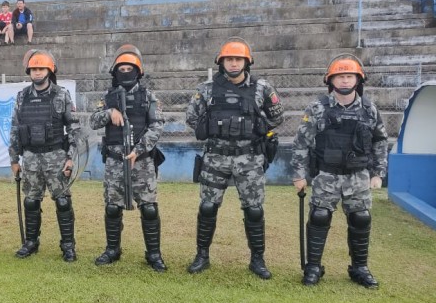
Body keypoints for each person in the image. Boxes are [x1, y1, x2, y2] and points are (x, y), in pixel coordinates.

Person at [185, 38, 284, 279]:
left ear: (246, 62)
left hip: (249, 159)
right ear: (221, 62)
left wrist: (257, 128)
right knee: (208, 207)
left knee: (254, 210)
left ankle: (257, 259)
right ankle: (202, 255)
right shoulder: (206, 89)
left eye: (238, 59)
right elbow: (191, 117)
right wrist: (212, 126)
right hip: (216, 157)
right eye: (229, 59)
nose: (233, 64)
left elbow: (277, 117)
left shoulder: (262, 88)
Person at [291, 55, 388, 289]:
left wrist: (378, 172)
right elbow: (301, 142)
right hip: (327, 175)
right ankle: (314, 266)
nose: (344, 81)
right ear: (330, 80)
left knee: (360, 218)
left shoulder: (369, 109)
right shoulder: (317, 108)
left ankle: (359, 268)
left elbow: (380, 141)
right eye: (340, 76)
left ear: (358, 79)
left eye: (349, 76)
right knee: (319, 217)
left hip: (358, 175)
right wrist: (298, 174)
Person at [90, 45, 167, 272]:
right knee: (113, 207)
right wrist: (109, 113)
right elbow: (94, 121)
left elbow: (157, 126)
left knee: (149, 208)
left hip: (141, 161)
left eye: (129, 68)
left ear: (138, 71)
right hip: (114, 160)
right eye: (121, 68)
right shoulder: (108, 98)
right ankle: (113, 250)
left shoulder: (148, 97)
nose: (125, 72)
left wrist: (140, 149)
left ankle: (153, 254)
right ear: (115, 72)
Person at [9, 50, 81, 262]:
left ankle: (68, 246)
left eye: (41, 69)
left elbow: (74, 128)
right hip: (30, 158)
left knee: (62, 202)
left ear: (50, 71)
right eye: (34, 69)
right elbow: (15, 128)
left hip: (56, 157)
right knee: (31, 202)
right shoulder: (22, 96)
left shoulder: (61, 95)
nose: (37, 72)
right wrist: (14, 159)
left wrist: (70, 158)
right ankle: (31, 242)